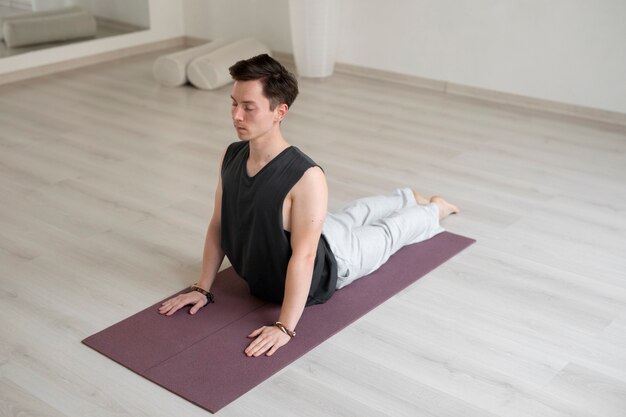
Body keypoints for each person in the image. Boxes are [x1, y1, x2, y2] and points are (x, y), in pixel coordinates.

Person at [158, 54, 458, 357]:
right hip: (314, 231)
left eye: (248, 107)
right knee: (352, 215)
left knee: (389, 232)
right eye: (233, 104)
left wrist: (285, 326)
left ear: (280, 111)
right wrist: (201, 288)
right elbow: (218, 224)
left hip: (335, 260)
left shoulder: (307, 176)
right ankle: (406, 195)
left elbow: (304, 256)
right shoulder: (232, 155)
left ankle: (435, 208)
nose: (236, 115)